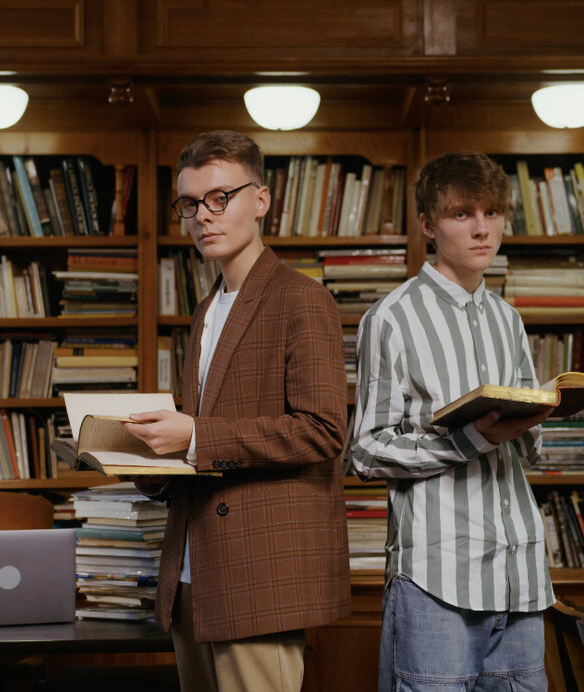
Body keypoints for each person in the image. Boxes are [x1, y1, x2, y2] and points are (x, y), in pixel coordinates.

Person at [123, 130, 350, 692]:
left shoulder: (302, 298)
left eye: (221, 197)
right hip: (193, 570)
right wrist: (142, 458)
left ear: (262, 200)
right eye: (190, 204)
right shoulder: (205, 312)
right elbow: (202, 444)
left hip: (259, 573)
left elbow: (323, 432)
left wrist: (195, 436)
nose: (204, 215)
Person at [349, 151, 555, 691]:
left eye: (492, 212)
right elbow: (367, 450)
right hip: (437, 580)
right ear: (427, 225)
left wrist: (538, 416)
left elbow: (528, 449)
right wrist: (471, 438)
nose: (482, 229)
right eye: (463, 214)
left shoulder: (508, 318)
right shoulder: (390, 318)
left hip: (521, 576)